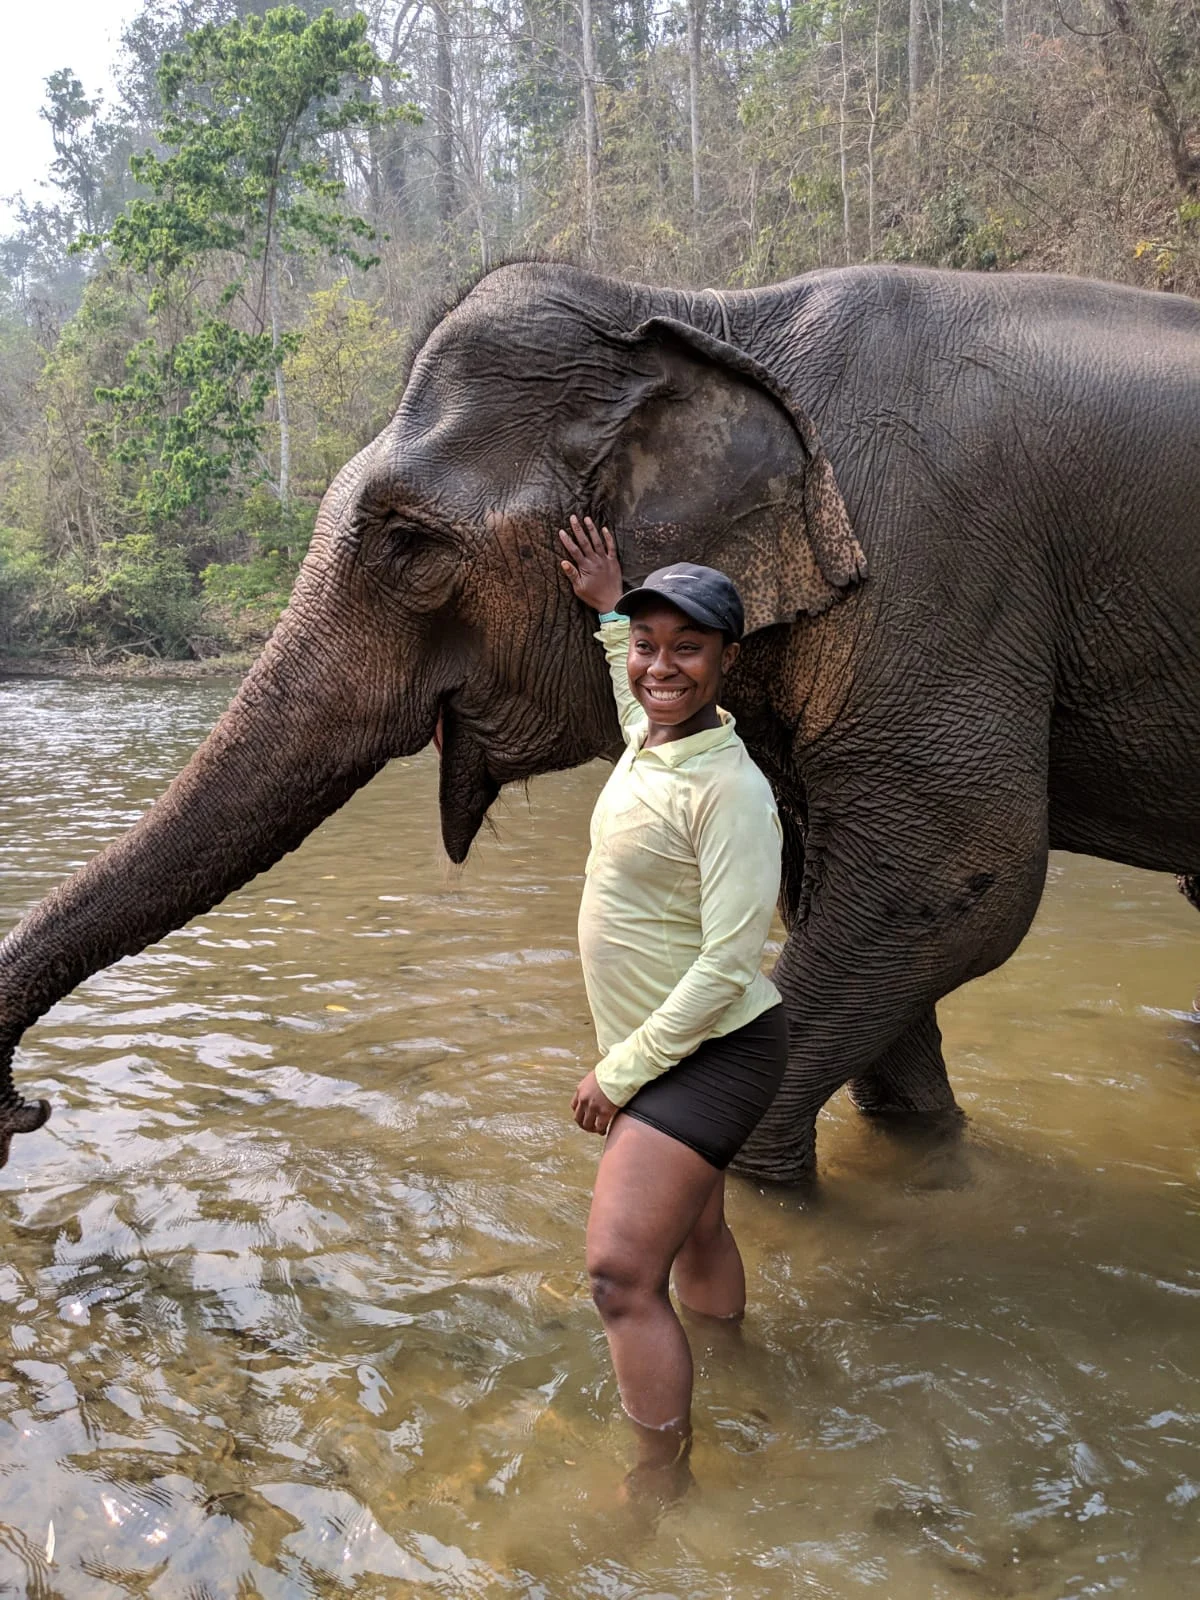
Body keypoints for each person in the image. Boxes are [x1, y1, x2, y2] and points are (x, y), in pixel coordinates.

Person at [557, 513, 788, 1496]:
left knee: (619, 1274)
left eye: (687, 648)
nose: (661, 667)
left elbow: (731, 963)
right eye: (648, 646)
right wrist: (612, 610)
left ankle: (661, 1480)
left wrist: (620, 1073)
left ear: (727, 659)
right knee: (697, 1230)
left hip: (714, 1050)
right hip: (680, 1048)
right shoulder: (652, 745)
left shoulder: (730, 791)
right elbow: (636, 695)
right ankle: (734, 1365)